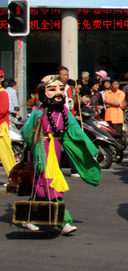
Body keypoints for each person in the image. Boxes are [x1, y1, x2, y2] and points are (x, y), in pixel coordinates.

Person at [16, 75, 101, 234]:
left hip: (54, 154)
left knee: (42, 188)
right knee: (52, 187)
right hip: (41, 155)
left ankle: (27, 218)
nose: (58, 92)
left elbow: (76, 131)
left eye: (61, 89)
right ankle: (64, 222)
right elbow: (26, 132)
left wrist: (91, 149)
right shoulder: (38, 112)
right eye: (52, 89)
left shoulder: (64, 111)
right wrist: (37, 144)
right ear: (43, 92)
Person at [0, 71, 13, 179]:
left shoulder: (3, 93)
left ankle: (14, 177)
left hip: (1, 129)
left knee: (6, 155)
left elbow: (2, 110)